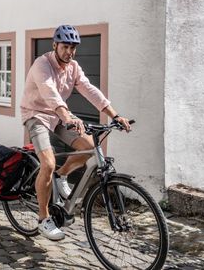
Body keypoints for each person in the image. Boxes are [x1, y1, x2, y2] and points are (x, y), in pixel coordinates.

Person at [20, 25, 131, 241]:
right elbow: (50, 93)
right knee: (48, 164)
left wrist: (115, 115)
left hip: (61, 115)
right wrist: (68, 117)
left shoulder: (74, 67)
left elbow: (90, 90)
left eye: (73, 47)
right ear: (55, 45)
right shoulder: (41, 64)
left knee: (89, 147)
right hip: (37, 115)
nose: (69, 51)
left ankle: (62, 175)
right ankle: (44, 218)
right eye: (65, 46)